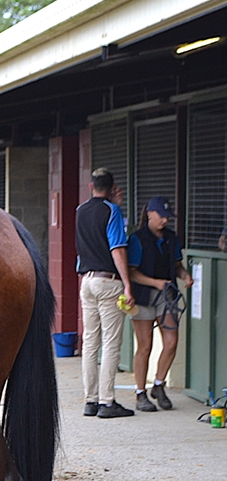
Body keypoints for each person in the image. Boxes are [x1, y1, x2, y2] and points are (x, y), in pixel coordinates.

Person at [76, 167, 135, 418]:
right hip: (108, 281)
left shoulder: (80, 211)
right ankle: (107, 401)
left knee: (90, 342)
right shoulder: (112, 211)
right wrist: (127, 283)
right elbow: (117, 248)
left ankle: (90, 400)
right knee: (111, 343)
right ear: (112, 188)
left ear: (91, 186)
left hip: (86, 281)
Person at [127, 197, 194, 411]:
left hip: (167, 296)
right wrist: (155, 283)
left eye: (167, 217)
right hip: (144, 296)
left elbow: (176, 265)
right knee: (145, 345)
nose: (165, 220)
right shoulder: (137, 239)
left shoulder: (171, 238)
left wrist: (185, 275)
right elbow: (132, 272)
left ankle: (159, 384)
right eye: (161, 216)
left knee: (171, 341)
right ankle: (140, 393)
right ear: (150, 214)